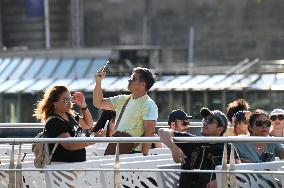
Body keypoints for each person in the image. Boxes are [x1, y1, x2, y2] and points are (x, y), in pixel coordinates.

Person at [159, 107, 240, 188]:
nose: (204, 122)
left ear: (220, 129)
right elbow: (162, 131)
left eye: (210, 120)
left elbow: (239, 170)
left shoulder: (229, 147)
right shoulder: (192, 141)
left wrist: (220, 180)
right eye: (204, 119)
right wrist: (173, 148)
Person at [93, 66, 158, 155]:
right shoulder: (123, 99)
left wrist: (144, 155)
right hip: (118, 148)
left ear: (143, 85)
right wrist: (98, 81)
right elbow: (98, 103)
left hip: (134, 153)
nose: (129, 80)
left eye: (133, 78)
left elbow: (149, 132)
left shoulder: (149, 104)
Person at [33, 85, 104, 163]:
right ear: (54, 103)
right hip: (62, 167)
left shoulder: (70, 116)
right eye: (65, 100)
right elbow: (69, 145)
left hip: (73, 166)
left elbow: (88, 124)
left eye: (70, 99)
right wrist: (93, 140)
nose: (69, 103)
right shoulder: (54, 121)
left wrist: (83, 106)